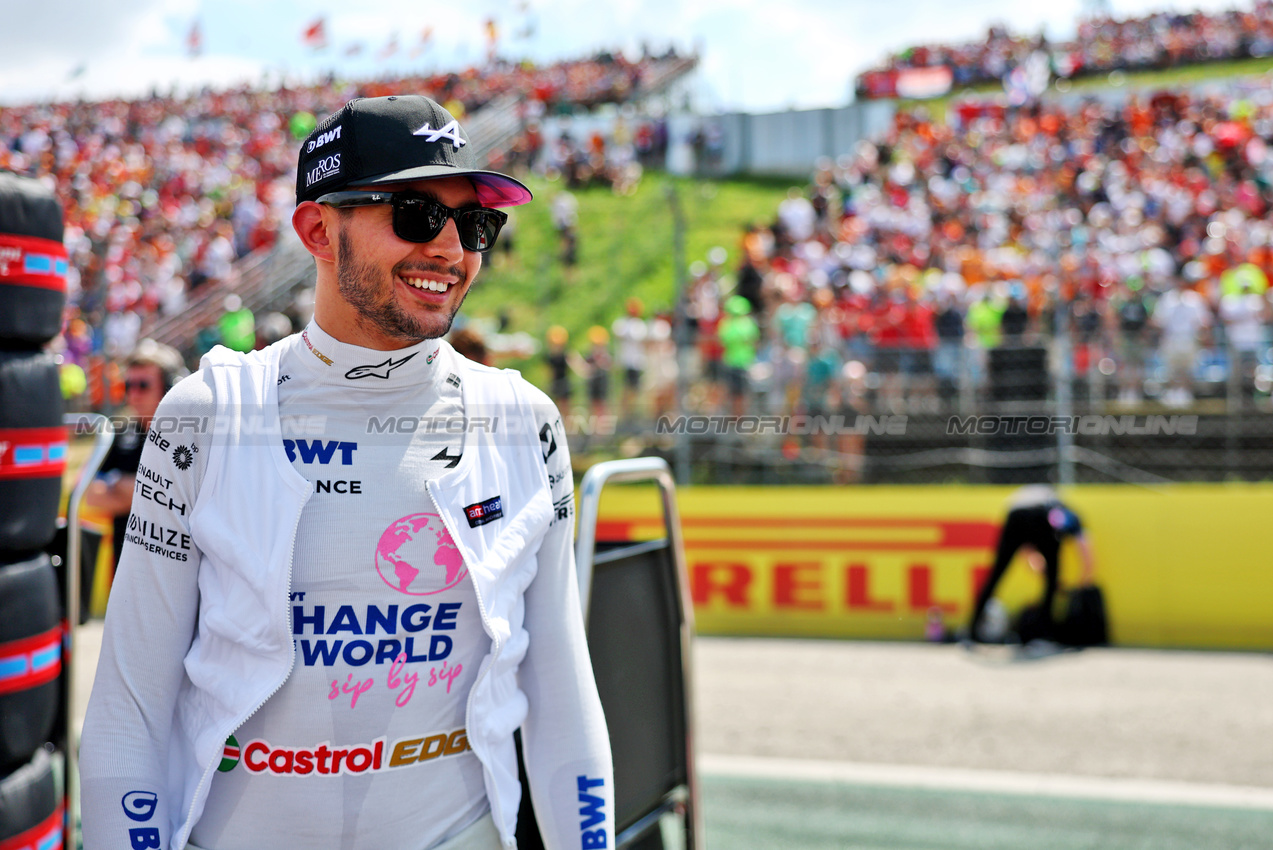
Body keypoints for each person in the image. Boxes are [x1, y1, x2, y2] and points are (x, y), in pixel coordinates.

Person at [80, 95, 614, 850]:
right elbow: (129, 709)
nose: (452, 250)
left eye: (473, 225)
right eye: (416, 214)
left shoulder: (522, 420)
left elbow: (561, 689)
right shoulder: (207, 413)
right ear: (317, 230)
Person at [84, 338, 186, 570]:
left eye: (143, 385)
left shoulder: (188, 438)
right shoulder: (118, 434)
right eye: (128, 386)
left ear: (170, 386)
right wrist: (156, 492)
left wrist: (119, 484)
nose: (133, 394)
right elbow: (91, 495)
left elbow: (185, 496)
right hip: (126, 568)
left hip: (176, 569)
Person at [966, 486, 1095, 644]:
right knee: (1051, 582)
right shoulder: (1068, 514)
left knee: (995, 576)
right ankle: (1043, 634)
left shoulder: (1029, 501)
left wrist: (1042, 570)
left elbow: (1027, 550)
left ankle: (972, 631)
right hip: (1042, 517)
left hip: (1015, 515)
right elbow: (1085, 551)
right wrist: (1084, 580)